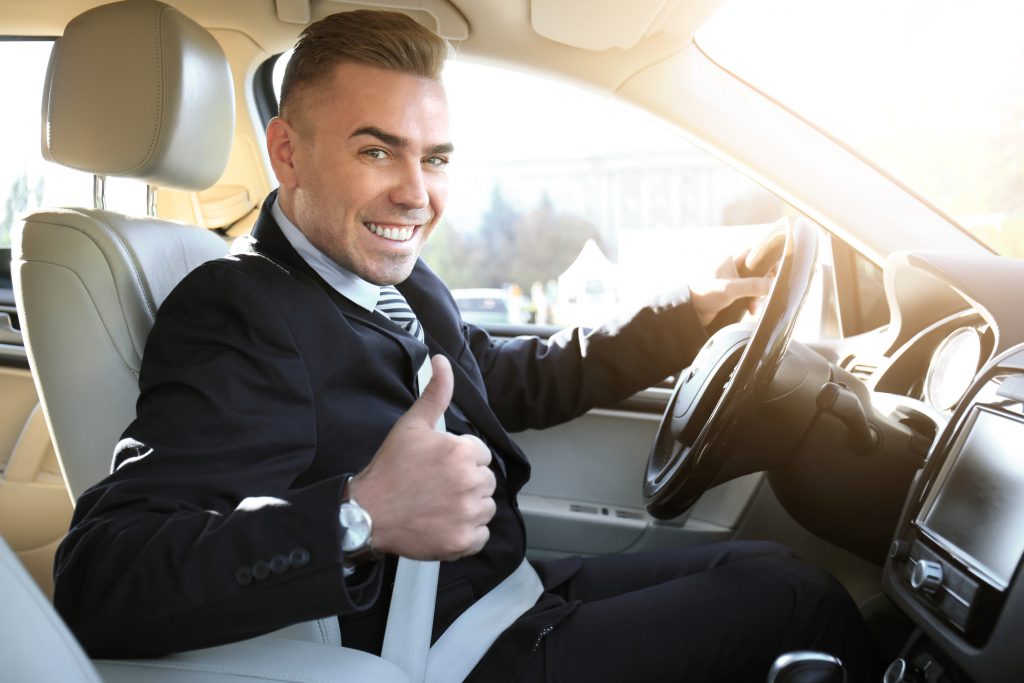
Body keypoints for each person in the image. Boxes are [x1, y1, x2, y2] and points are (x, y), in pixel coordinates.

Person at [53, 9, 883, 682]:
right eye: (376, 150)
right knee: (797, 600)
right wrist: (360, 514)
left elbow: (503, 378)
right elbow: (101, 578)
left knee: (769, 566)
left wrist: (689, 313)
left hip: (510, 592)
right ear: (288, 153)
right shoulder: (239, 311)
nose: (415, 194)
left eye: (435, 158)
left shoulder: (394, 281)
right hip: (459, 655)